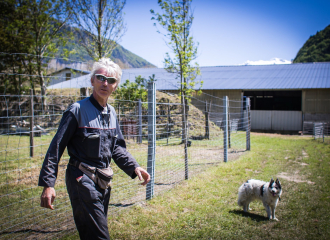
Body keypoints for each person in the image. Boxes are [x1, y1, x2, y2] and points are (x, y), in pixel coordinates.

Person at [38, 58, 150, 240]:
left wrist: (134, 167)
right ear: (92, 81)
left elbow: (117, 148)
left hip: (103, 180)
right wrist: (48, 184)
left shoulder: (112, 113)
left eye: (111, 80)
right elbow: (56, 147)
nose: (105, 83)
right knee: (99, 236)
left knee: (92, 233)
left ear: (116, 86)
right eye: (100, 78)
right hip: (81, 179)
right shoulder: (77, 110)